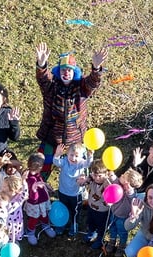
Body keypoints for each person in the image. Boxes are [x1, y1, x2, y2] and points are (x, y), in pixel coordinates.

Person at [34, 43, 108, 178]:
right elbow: (42, 79)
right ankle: (38, 187)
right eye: (63, 70)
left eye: (69, 70)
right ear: (58, 72)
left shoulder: (82, 88)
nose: (66, 73)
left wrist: (96, 68)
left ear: (74, 72)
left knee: (79, 175)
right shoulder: (51, 87)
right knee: (40, 170)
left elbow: (93, 82)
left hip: (76, 140)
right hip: (52, 137)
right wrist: (41, 64)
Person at [52, 142, 92, 236]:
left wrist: (90, 155)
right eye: (71, 155)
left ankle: (74, 225)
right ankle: (61, 223)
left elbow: (88, 164)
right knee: (63, 208)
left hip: (76, 194)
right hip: (63, 192)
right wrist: (57, 154)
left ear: (81, 156)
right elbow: (56, 162)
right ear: (67, 154)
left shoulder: (81, 163)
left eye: (76, 156)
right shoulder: (65, 161)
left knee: (75, 211)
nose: (73, 158)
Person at [23, 153, 56, 244]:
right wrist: (34, 189)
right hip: (35, 204)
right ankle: (30, 232)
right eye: (42, 164)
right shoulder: (30, 179)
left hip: (42, 201)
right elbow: (33, 197)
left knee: (44, 215)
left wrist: (45, 185)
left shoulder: (37, 174)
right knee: (33, 219)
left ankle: (45, 225)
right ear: (38, 166)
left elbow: (40, 181)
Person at [84, 160, 115, 248]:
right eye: (95, 175)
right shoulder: (91, 179)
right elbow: (83, 182)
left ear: (106, 174)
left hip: (102, 211)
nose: (97, 178)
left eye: (100, 176)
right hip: (91, 207)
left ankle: (100, 239)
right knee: (91, 222)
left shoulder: (107, 184)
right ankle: (91, 233)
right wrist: (83, 180)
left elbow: (111, 196)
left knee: (101, 226)